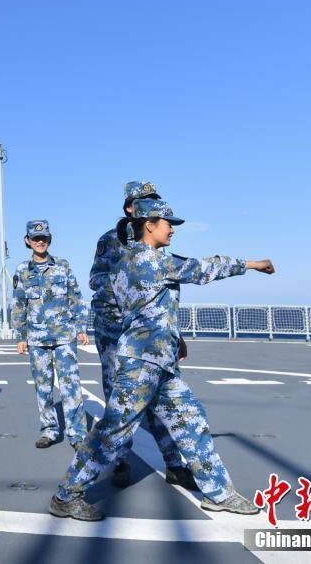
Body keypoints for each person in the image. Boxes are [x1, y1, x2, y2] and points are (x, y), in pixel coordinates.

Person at [50, 199, 275, 521]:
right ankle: (66, 495)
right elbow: (204, 268)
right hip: (142, 362)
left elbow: (146, 309)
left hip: (161, 361)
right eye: (168, 223)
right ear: (149, 225)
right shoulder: (150, 260)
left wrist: (171, 338)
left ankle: (219, 493)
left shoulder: (130, 261)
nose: (172, 230)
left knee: (192, 420)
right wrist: (253, 264)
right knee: (115, 431)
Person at [89, 181, 196, 490]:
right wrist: (124, 287)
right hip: (113, 328)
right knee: (117, 396)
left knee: (161, 394)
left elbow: (165, 286)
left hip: (150, 331)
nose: (149, 204)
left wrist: (177, 334)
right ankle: (121, 460)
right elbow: (96, 278)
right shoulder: (110, 241)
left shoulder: (156, 244)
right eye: (143, 201)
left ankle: (174, 463)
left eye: (153, 199)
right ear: (129, 208)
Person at [11, 220, 89, 449]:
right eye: (35, 238)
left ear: (50, 238)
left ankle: (77, 434)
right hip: (37, 338)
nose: (40, 241)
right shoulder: (22, 270)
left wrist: (81, 327)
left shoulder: (63, 266)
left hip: (64, 336)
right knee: (43, 387)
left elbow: (75, 296)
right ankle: (49, 430)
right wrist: (20, 336)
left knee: (71, 386)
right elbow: (19, 303)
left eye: (43, 237)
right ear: (27, 241)